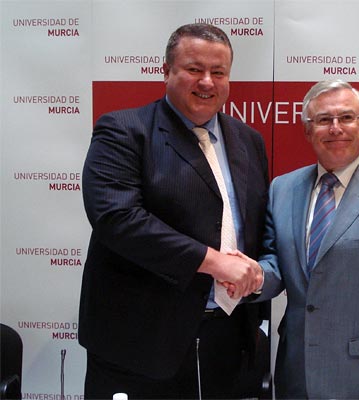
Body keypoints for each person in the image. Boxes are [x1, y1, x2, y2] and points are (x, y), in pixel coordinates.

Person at [78, 23, 268, 399]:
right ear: (166, 71)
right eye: (194, 69)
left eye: (219, 72)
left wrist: (258, 274)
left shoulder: (249, 140)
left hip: (227, 341)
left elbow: (254, 226)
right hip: (140, 343)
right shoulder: (123, 130)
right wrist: (214, 262)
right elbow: (117, 219)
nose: (207, 82)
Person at [236, 80, 359, 399]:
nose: (335, 128)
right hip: (297, 373)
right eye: (323, 119)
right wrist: (255, 277)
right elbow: (277, 266)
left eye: (346, 117)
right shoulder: (282, 189)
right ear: (307, 130)